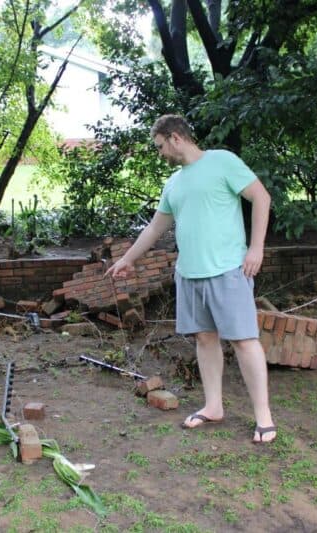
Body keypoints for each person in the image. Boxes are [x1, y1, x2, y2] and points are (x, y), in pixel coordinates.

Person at [105, 114, 276, 443]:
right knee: (204, 339)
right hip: (189, 274)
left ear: (174, 138)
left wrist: (256, 248)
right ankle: (213, 406)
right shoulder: (174, 183)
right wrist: (127, 259)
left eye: (159, 147)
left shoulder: (222, 161)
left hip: (228, 270)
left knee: (243, 341)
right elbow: (156, 227)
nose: (160, 154)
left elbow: (261, 197)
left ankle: (263, 416)